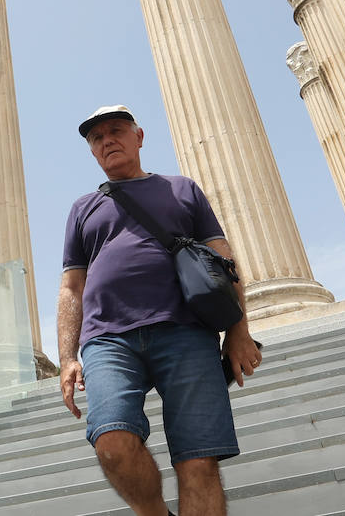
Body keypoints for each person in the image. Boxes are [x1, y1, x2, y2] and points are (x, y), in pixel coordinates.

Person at [57, 105, 261, 516]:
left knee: (199, 460)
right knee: (111, 441)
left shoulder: (181, 189)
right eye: (97, 138)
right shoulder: (83, 208)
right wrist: (66, 357)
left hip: (185, 331)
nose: (107, 140)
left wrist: (238, 331)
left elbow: (223, 262)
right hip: (107, 339)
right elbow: (70, 287)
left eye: (116, 131)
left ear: (139, 137)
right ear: (93, 152)